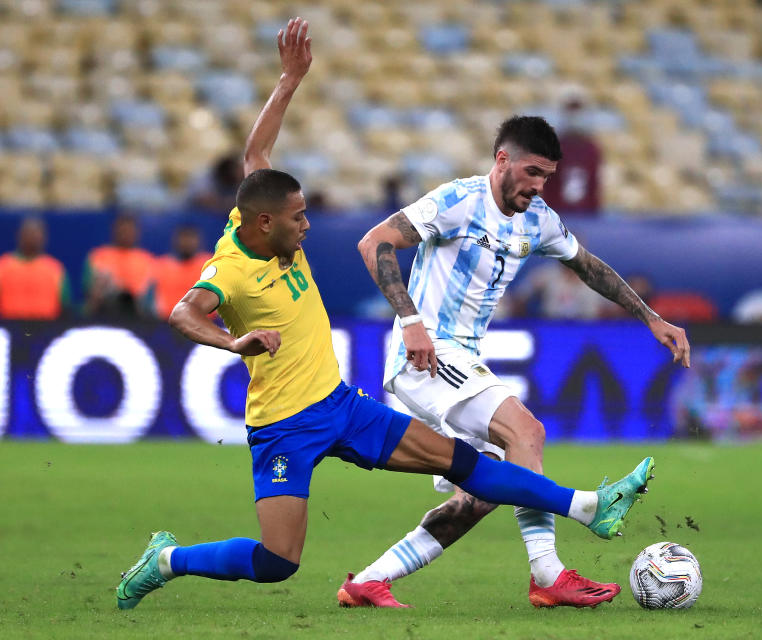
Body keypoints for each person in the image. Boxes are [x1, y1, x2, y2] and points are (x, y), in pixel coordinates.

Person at [115, 18, 654, 612]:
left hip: (341, 406)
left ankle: (584, 509)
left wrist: (289, 80)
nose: (307, 224)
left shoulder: (259, 215)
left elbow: (256, 155)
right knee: (277, 562)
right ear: (264, 224)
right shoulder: (231, 267)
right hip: (284, 426)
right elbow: (182, 313)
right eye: (298, 218)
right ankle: (166, 559)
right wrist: (233, 343)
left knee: (464, 464)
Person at [345, 115, 690, 608]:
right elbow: (374, 241)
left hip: (461, 357)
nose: (538, 185)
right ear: (502, 160)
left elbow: (588, 266)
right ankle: (549, 573)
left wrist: (651, 318)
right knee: (526, 433)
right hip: (426, 353)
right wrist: (410, 320)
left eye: (546, 176)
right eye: (531, 172)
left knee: (487, 491)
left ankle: (370, 581)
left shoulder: (538, 219)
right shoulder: (458, 200)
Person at [540, 94, 602, 215]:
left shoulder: (591, 148)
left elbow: (594, 183)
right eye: (571, 112)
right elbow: (546, 184)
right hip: (558, 212)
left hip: (585, 213)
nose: (575, 118)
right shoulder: (553, 146)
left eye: (578, 112)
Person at [84, 214, 155, 318]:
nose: (125, 234)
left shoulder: (148, 261)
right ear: (114, 231)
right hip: (104, 314)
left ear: (137, 233)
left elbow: (152, 298)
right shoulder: (97, 257)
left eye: (129, 231)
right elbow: (88, 290)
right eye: (122, 230)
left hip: (138, 316)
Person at [0, 218, 70, 320]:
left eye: (36, 234)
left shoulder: (55, 269)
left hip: (48, 330)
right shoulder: (3, 266)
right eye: (28, 233)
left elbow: (66, 308)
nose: (32, 238)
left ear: (44, 238)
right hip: (7, 328)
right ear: (19, 236)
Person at [153, 225, 213, 319]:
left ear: (199, 241)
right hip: (167, 323)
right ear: (175, 241)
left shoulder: (210, 265)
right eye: (184, 238)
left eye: (191, 238)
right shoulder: (161, 266)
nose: (187, 243)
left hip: (204, 323)